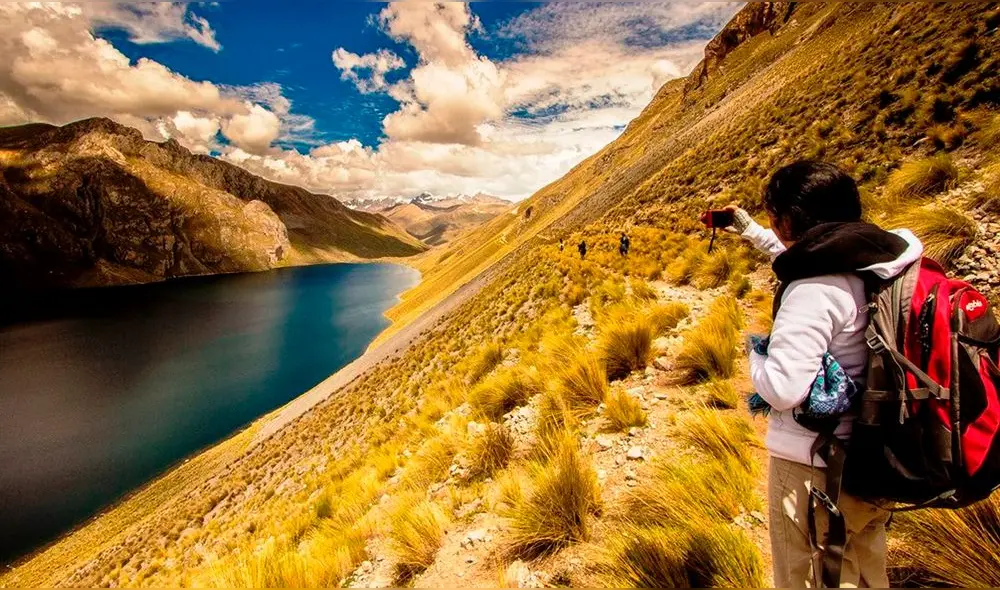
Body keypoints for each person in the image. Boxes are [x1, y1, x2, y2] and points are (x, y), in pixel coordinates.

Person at [726, 160, 924, 588]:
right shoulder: (880, 263)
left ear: (788, 220)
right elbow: (805, 258)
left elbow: (782, 389)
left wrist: (755, 352)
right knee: (866, 572)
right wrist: (751, 231)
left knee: (811, 577)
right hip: (875, 456)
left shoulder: (812, 289)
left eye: (773, 216)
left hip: (816, 467)